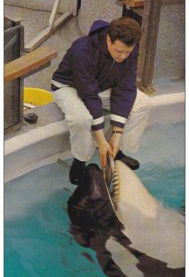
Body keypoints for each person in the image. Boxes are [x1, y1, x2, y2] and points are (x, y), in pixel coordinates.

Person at [51, 17, 152, 185]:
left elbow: (125, 88)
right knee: (81, 118)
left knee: (143, 104)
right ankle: (80, 160)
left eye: (128, 52)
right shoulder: (82, 49)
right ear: (108, 39)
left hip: (100, 86)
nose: (123, 56)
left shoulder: (129, 48)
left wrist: (117, 134)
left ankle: (117, 151)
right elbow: (88, 94)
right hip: (68, 87)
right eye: (119, 51)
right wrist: (100, 138)